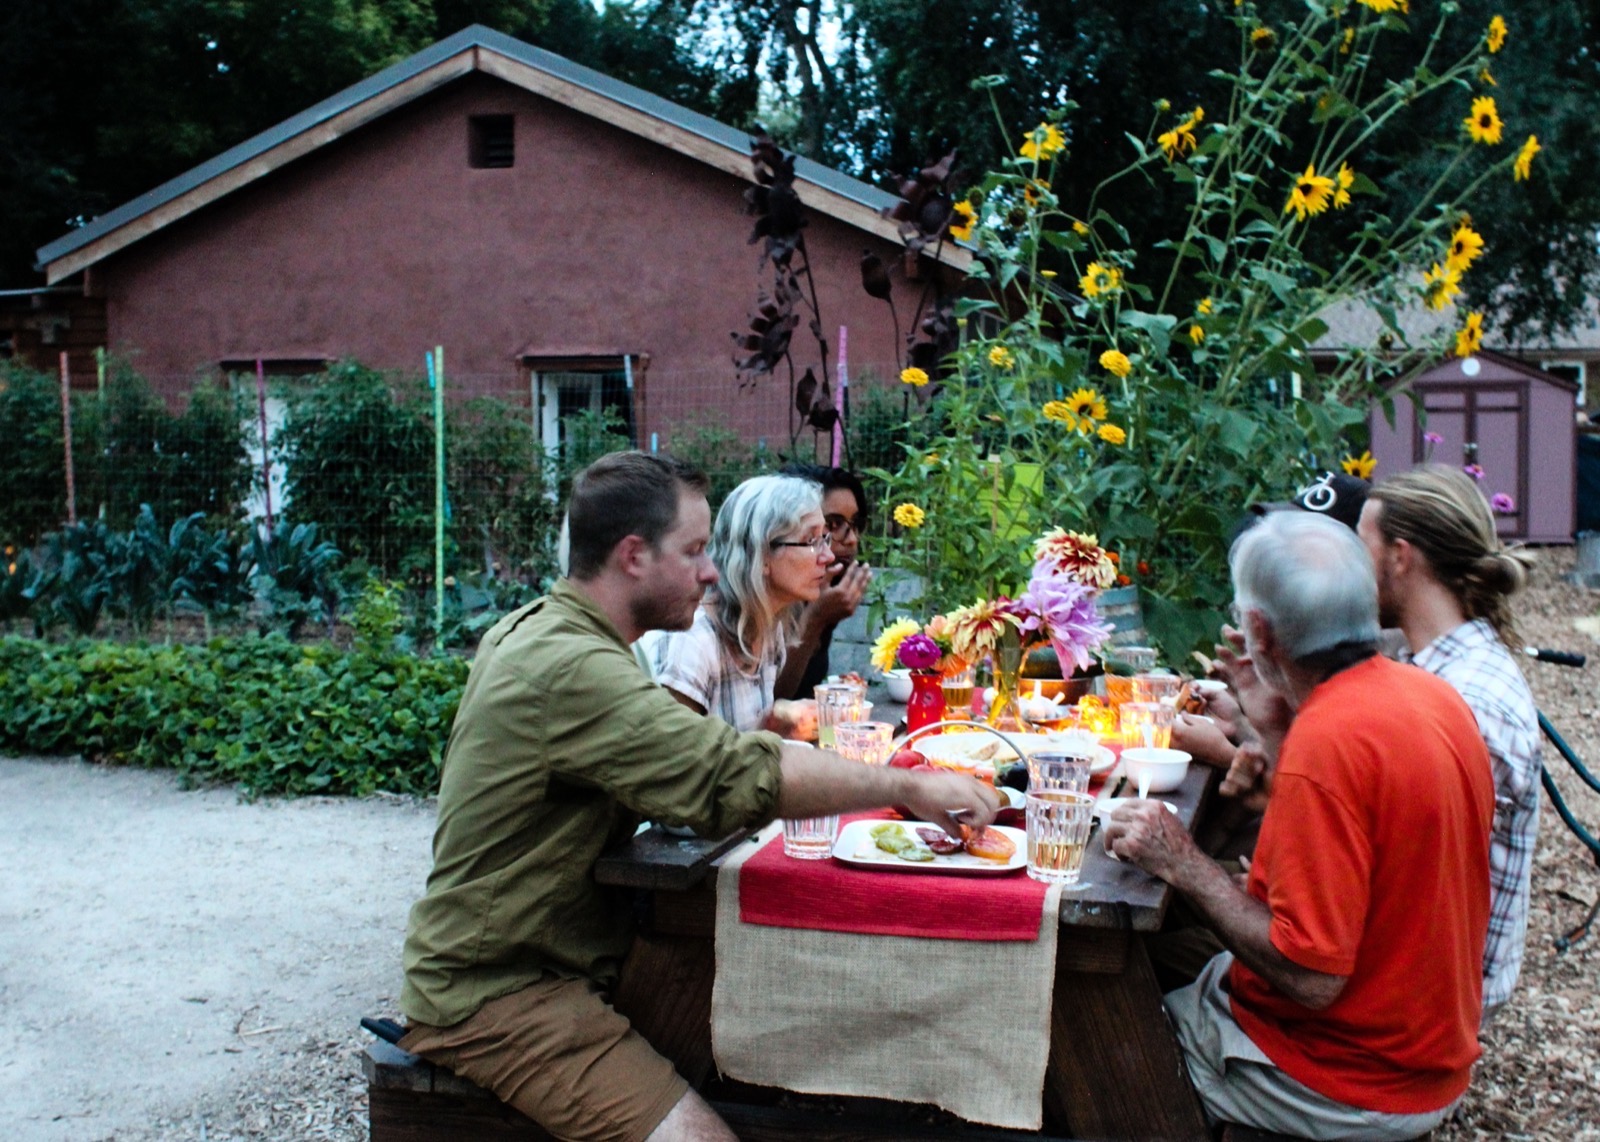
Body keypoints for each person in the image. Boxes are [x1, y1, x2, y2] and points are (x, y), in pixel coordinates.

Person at [398, 451, 999, 1142]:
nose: (712, 570)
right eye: (692, 552)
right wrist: (906, 785)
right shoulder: (570, 665)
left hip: (564, 960)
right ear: (632, 556)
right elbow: (725, 775)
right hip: (498, 995)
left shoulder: (556, 630)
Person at [1104, 511, 1493, 1140]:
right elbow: (1347, 839)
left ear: (1258, 628)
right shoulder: (1426, 695)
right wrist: (1278, 730)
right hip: (1421, 1047)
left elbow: (1311, 980)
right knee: (1157, 960)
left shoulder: (1331, 741)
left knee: (1097, 1045)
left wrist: (1183, 863)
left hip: (1347, 1078)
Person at [1358, 464, 1540, 1023]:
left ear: (1400, 557)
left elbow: (1404, 885)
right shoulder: (1446, 666)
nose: (1349, 569)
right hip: (1440, 963)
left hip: (1438, 992)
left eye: (1359, 547)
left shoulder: (1462, 706)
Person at [638, 474, 829, 735]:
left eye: (824, 539)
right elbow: (677, 762)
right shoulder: (692, 642)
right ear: (760, 554)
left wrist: (777, 728)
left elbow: (737, 743)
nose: (827, 556)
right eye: (811, 541)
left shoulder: (768, 625)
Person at [773, 464, 874, 699]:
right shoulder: (771, 599)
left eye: (855, 523)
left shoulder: (824, 590)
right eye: (834, 524)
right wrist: (816, 619)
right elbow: (773, 703)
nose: (852, 539)